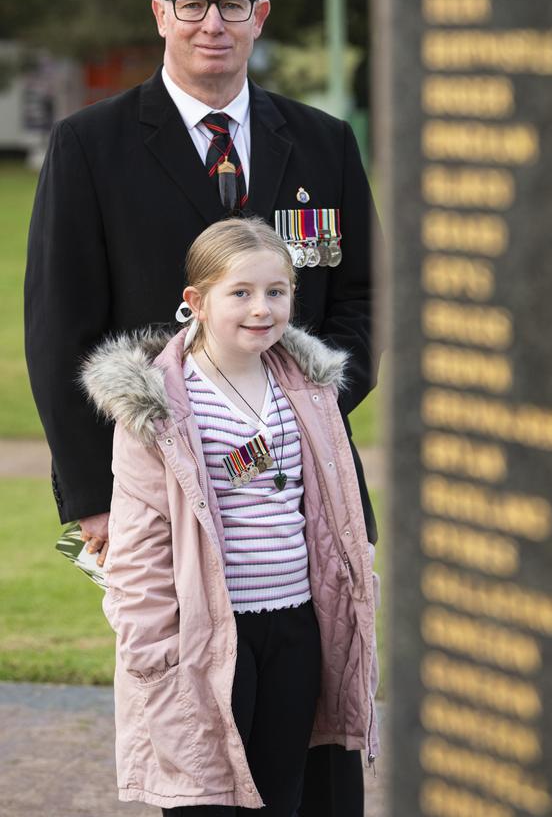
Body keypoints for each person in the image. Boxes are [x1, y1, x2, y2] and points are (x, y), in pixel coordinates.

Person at [25, 0, 378, 813]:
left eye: (230, 5)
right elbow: (59, 326)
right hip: (169, 496)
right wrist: (91, 500)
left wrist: (300, 410)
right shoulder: (90, 146)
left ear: (258, 17)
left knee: (315, 742)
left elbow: (361, 301)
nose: (210, 23)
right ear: (161, 15)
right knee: (201, 745)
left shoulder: (323, 144)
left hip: (306, 498)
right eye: (192, 4)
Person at [81, 217, 379, 815]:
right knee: (206, 802)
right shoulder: (158, 405)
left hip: (296, 628)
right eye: (239, 293)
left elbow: (332, 516)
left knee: (283, 797)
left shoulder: (309, 390)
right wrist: (155, 661)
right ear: (196, 301)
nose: (261, 309)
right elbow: (139, 553)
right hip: (210, 641)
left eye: (277, 291)